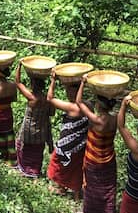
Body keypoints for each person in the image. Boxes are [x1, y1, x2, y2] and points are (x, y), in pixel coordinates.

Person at [77, 74, 118, 213]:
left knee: (92, 189)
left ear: (99, 105)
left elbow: (78, 102)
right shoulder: (116, 120)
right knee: (108, 187)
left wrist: (83, 83)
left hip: (93, 161)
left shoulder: (96, 120)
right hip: (109, 160)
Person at [46, 69, 89, 200]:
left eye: (70, 91)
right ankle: (73, 193)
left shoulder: (73, 107)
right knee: (75, 169)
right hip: (80, 146)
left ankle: (61, 187)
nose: (67, 93)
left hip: (68, 147)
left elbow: (50, 98)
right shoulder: (88, 106)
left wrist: (53, 80)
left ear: (77, 93)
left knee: (58, 163)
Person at [15, 62, 55, 178]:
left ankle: (25, 170)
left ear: (33, 85)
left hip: (28, 130)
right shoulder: (48, 100)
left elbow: (17, 82)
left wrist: (20, 65)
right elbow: (52, 113)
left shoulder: (31, 97)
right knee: (37, 152)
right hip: (41, 132)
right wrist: (53, 81)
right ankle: (35, 171)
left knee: (24, 148)